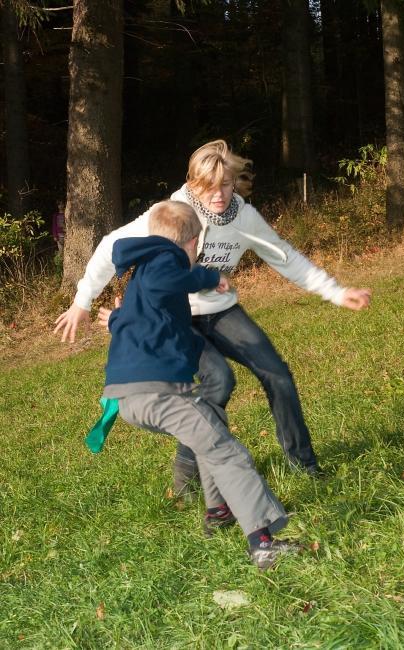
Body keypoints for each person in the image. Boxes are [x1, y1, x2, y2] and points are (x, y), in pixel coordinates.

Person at [54, 139, 371, 497]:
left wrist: (337, 292)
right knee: (218, 381)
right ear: (193, 183)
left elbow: (286, 257)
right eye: (208, 186)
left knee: (277, 374)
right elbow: (112, 245)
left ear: (235, 182)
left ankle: (304, 465)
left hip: (222, 312)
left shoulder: (244, 217)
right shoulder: (172, 213)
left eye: (225, 184)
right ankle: (189, 479)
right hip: (179, 319)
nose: (218, 195)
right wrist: (83, 301)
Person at [86, 199, 302, 569]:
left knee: (210, 434)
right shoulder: (164, 260)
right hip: (158, 394)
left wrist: (117, 318)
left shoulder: (142, 274)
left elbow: (138, 320)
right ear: (191, 243)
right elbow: (171, 279)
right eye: (196, 248)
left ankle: (218, 510)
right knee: (228, 452)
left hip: (129, 400)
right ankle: (263, 542)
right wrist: (207, 276)